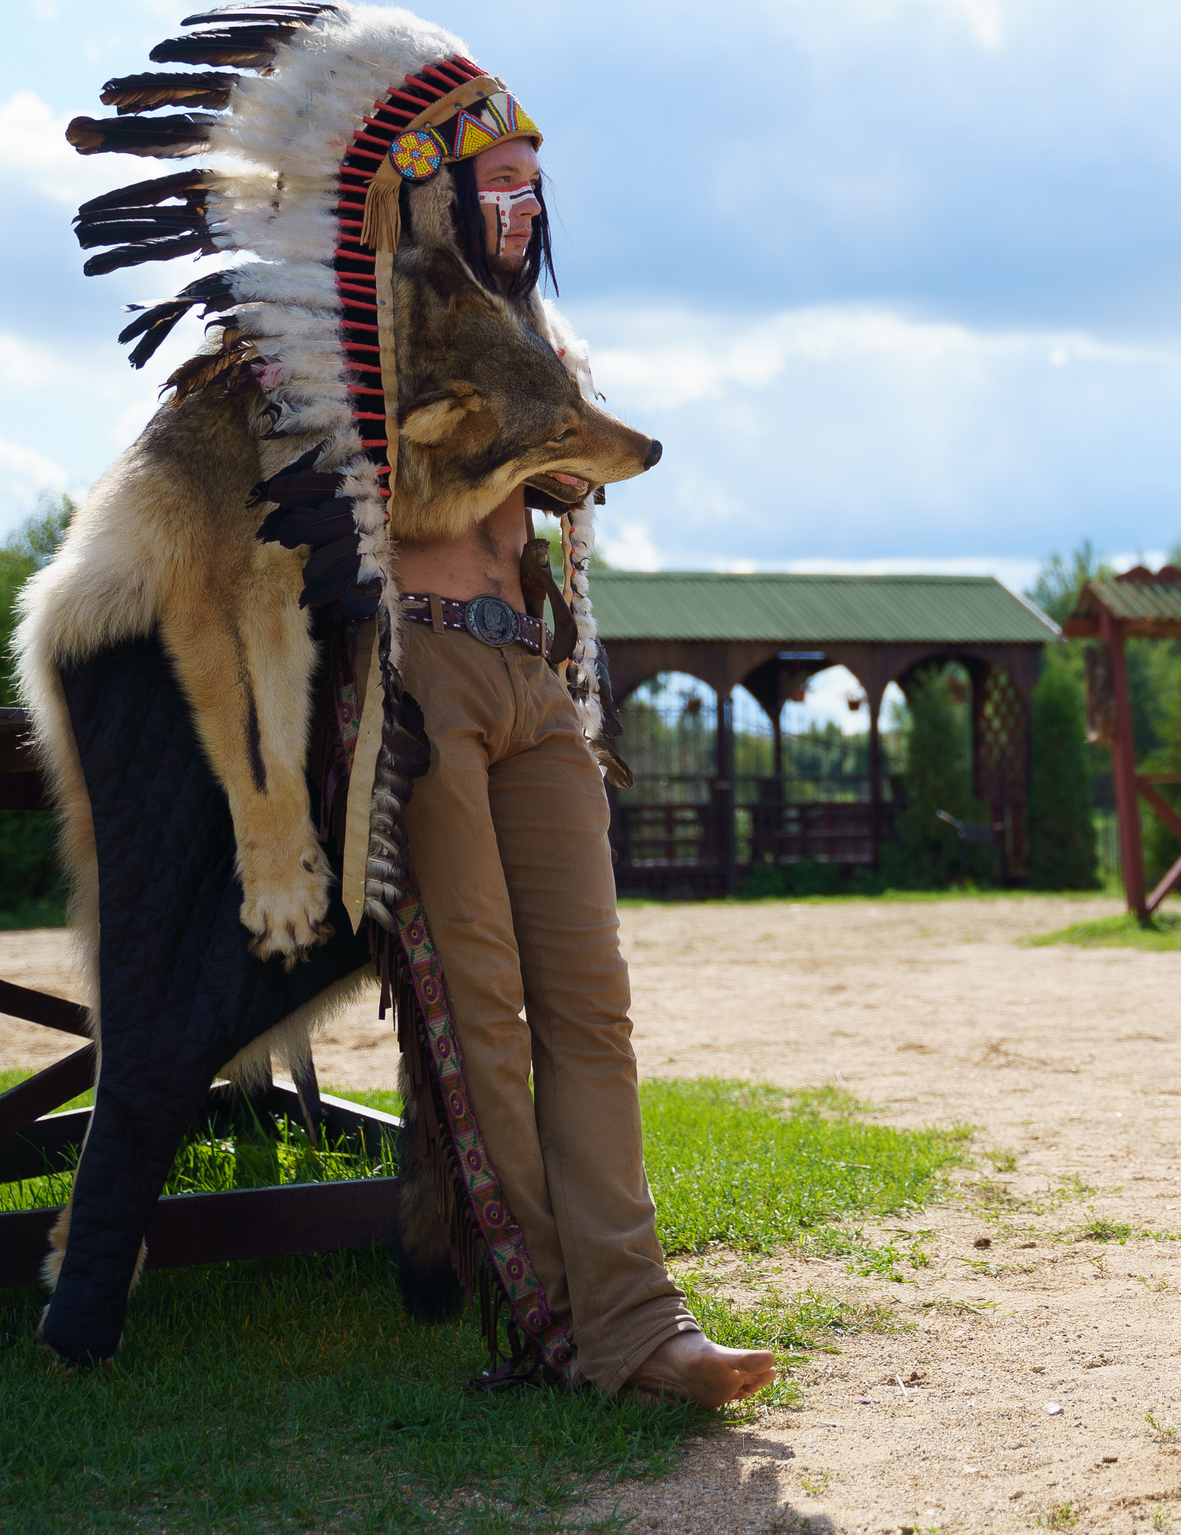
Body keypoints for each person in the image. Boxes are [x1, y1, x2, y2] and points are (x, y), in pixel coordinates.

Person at [390, 129, 777, 1408]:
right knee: (481, 1013)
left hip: (534, 674)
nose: (522, 200)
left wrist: (549, 452)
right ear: (435, 186)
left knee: (591, 1006)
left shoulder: (539, 330)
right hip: (425, 665)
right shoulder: (370, 314)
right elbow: (347, 494)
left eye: (532, 179)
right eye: (495, 177)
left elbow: (568, 491)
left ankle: (637, 1318)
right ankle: (574, 1328)